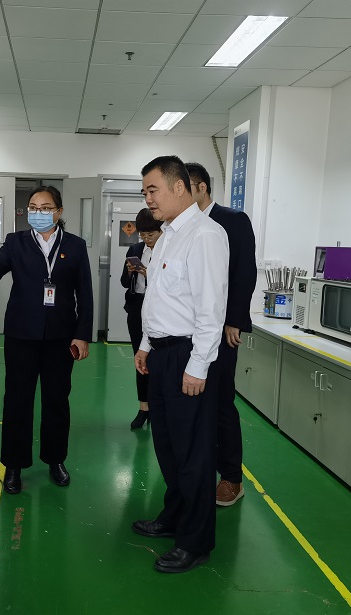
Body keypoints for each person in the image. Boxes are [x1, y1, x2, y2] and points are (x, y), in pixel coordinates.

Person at [0, 186, 93, 495]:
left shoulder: (76, 246)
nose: (38, 213)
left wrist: (82, 334)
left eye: (46, 207)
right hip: (21, 335)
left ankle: (55, 459)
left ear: (59, 211)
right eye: (33, 207)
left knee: (57, 400)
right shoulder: (16, 242)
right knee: (17, 400)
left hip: (60, 337)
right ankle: (13, 465)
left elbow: (85, 293)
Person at [131, 155, 229, 573]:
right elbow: (159, 298)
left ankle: (196, 541)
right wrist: (146, 344)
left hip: (188, 356)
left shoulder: (205, 236)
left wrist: (198, 366)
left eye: (152, 190)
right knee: (168, 446)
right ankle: (174, 516)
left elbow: (211, 310)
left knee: (193, 454)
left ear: (179, 187)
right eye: (145, 192)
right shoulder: (169, 235)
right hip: (162, 353)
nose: (148, 199)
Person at [185, 162, 257, 507]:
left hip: (220, 330)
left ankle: (231, 478)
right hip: (187, 330)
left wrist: (233, 321)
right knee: (192, 403)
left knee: (221, 401)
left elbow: (244, 273)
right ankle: (196, 470)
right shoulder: (182, 225)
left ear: (201, 187)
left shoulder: (232, 220)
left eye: (184, 188)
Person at [120, 208, 163, 429]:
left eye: (151, 234)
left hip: (160, 311)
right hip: (137, 309)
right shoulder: (135, 249)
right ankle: (143, 408)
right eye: (143, 234)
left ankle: (158, 408)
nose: (147, 239)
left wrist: (150, 273)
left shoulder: (167, 249)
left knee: (159, 362)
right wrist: (130, 271)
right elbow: (123, 282)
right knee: (140, 359)